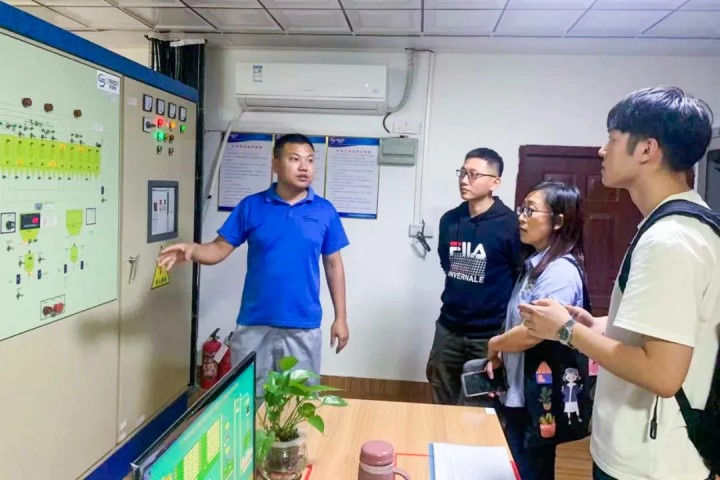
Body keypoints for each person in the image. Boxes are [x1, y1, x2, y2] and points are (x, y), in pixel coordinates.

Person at [519, 86, 719, 480]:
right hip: (657, 455)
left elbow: (663, 375)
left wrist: (566, 330)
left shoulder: (669, 240)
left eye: (612, 139)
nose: (602, 150)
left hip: (649, 463)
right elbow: (676, 330)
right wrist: (601, 325)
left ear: (646, 149)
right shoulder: (691, 223)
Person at [157, 133, 350, 396]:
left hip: (303, 324)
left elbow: (334, 265)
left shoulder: (324, 211)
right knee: (248, 399)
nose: (304, 167)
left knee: (299, 403)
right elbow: (218, 249)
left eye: (310, 160)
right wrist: (193, 251)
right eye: (295, 159)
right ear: (275, 163)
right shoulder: (251, 206)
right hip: (254, 324)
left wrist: (341, 318)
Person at [485, 181, 589, 480]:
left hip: (538, 397)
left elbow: (534, 331)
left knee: (531, 469)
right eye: (522, 209)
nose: (521, 217)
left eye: (530, 211)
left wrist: (495, 344)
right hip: (521, 392)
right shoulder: (536, 264)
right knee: (519, 466)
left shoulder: (560, 272)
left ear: (558, 221)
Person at [428, 147, 522, 405]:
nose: (464, 180)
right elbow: (447, 263)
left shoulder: (510, 225)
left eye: (474, 174)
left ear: (495, 182)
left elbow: (519, 276)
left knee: (478, 409)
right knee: (441, 401)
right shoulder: (450, 220)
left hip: (489, 334)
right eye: (462, 173)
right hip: (448, 329)